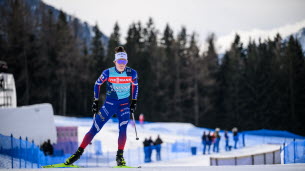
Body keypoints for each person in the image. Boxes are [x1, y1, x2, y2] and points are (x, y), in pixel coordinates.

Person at [64, 46, 139, 166]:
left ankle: (120, 157)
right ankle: (77, 155)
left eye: (124, 61)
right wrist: (96, 100)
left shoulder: (132, 73)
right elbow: (97, 84)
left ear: (126, 62)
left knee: (123, 129)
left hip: (124, 105)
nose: (121, 64)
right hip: (109, 104)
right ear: (115, 62)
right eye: (119, 61)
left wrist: (134, 101)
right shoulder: (108, 72)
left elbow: (135, 86)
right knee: (94, 129)